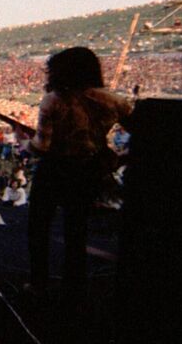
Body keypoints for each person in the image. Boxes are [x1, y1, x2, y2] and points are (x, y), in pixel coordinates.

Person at [25, 47, 132, 304]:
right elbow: (144, 131)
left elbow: (41, 146)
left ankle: (39, 283)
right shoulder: (113, 100)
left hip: (54, 169)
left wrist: (24, 143)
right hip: (87, 171)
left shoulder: (53, 100)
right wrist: (119, 157)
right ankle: (74, 288)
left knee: (39, 226)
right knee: (77, 229)